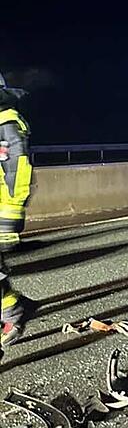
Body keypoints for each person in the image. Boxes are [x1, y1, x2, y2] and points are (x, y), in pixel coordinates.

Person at [0, 73, 33, 353]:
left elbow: (18, 171)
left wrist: (9, 218)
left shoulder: (8, 123)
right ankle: (12, 307)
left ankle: (12, 314)